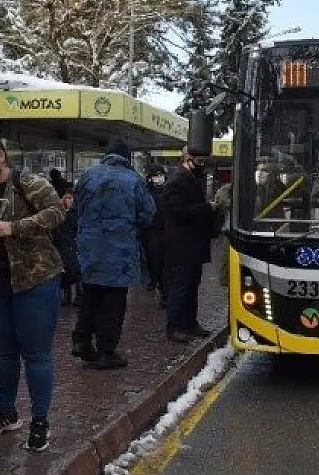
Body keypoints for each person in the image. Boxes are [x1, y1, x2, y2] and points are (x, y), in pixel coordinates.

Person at [0, 135, 66, 451]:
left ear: (0, 157)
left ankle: (40, 422)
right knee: (2, 352)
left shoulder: (26, 182)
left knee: (35, 353)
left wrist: (16, 227)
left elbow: (57, 211)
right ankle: (7, 414)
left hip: (35, 280)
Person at [72, 139, 156, 369]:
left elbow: (75, 207)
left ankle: (81, 340)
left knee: (90, 294)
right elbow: (148, 214)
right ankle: (106, 351)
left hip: (89, 247)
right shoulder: (134, 180)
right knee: (113, 300)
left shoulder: (88, 175)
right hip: (119, 250)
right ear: (126, 158)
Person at [161, 147, 217, 344]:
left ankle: (189, 323)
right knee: (181, 286)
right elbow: (179, 212)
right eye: (199, 161)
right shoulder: (176, 183)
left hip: (192, 245)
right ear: (188, 160)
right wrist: (207, 208)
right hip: (182, 246)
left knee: (192, 286)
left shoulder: (190, 180)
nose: (202, 166)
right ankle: (175, 326)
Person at [50, 169, 82, 307]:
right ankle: (67, 296)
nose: (68, 200)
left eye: (70, 198)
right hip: (63, 244)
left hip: (73, 244)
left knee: (76, 270)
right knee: (66, 270)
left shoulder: (77, 213)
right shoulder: (60, 213)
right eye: (66, 198)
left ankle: (79, 295)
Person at [142, 163, 169, 308]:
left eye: (160, 174)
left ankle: (165, 293)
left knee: (165, 263)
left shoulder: (168, 189)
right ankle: (156, 282)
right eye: (155, 175)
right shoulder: (146, 191)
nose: (158, 178)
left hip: (165, 230)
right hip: (151, 231)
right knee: (154, 261)